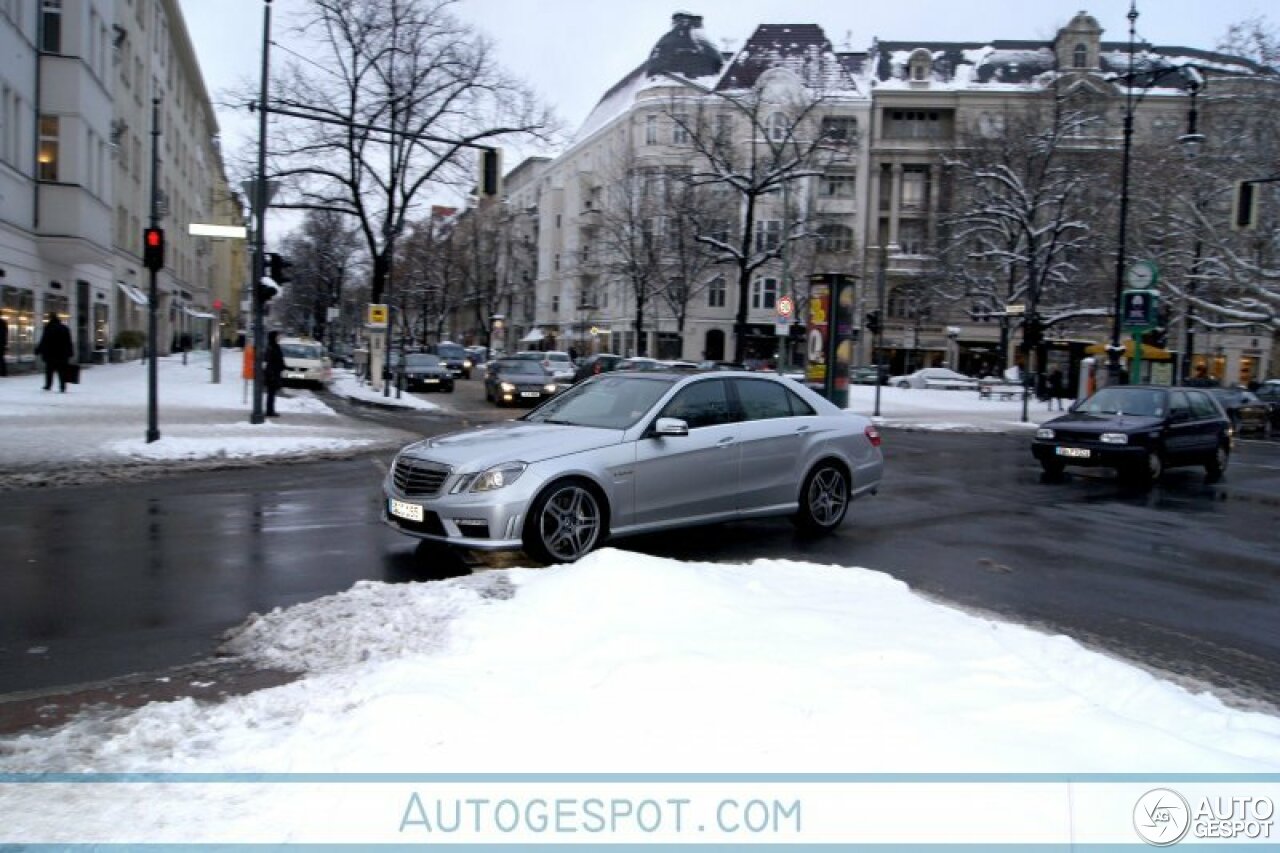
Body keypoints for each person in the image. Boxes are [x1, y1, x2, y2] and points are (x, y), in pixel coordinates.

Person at [34, 312, 74, 392]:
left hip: (51, 354)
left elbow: (44, 340)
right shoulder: (64, 328)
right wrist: (70, 352)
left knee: (49, 370)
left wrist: (38, 350)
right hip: (62, 354)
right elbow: (69, 342)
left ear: (50, 318)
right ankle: (62, 386)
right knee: (62, 371)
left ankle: (48, 385)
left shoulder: (49, 328)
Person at [263, 330, 285, 417]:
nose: (279, 337)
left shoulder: (274, 346)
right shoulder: (271, 347)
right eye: (277, 336)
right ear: (274, 337)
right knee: (271, 393)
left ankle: (270, 410)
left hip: (274, 373)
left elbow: (278, 359)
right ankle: (270, 411)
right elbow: (269, 361)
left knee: (272, 393)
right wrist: (271, 373)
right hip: (272, 373)